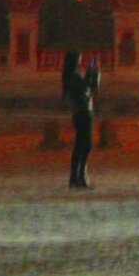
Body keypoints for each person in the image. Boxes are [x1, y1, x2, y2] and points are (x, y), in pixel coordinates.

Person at [61, 50, 97, 188]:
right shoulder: (74, 77)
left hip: (83, 112)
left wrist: (94, 71)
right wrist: (90, 72)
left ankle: (77, 176)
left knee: (82, 145)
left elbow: (92, 85)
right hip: (83, 113)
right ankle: (79, 176)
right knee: (84, 145)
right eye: (79, 59)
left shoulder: (74, 76)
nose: (81, 62)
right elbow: (85, 88)